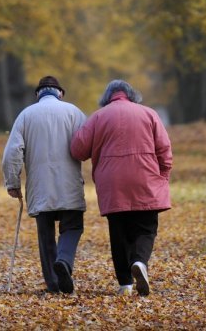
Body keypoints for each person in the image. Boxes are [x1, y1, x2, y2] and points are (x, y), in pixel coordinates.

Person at [70, 79, 172, 296]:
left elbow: (78, 150)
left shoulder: (98, 117)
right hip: (145, 178)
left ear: (107, 98)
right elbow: (164, 149)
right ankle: (139, 261)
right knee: (146, 227)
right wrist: (162, 176)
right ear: (131, 95)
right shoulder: (149, 113)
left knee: (118, 232)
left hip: (112, 182)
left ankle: (125, 283)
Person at [1, 75, 87, 294]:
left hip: (40, 186)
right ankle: (64, 261)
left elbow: (12, 152)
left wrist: (12, 182)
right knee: (73, 227)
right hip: (69, 184)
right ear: (60, 93)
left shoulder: (26, 115)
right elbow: (87, 145)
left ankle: (54, 283)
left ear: (38, 94)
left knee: (46, 234)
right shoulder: (74, 112)